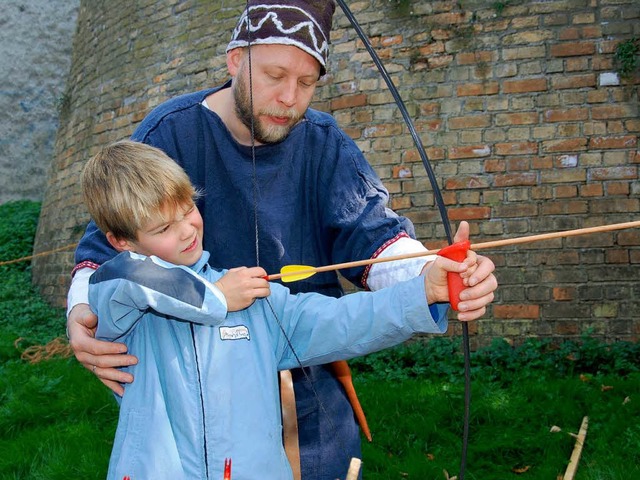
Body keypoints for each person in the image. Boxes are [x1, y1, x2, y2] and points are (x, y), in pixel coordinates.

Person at [66, 1, 498, 479]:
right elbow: (109, 262)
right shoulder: (171, 133)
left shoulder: (323, 144)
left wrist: (431, 276)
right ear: (236, 60)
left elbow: (373, 240)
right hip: (178, 408)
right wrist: (82, 319)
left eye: (307, 83)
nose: (290, 98)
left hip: (304, 379)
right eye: (274, 75)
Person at [82, 139, 477, 480]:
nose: (187, 230)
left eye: (187, 209)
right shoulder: (122, 296)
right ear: (122, 242)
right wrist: (218, 296)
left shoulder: (250, 298)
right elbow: (133, 278)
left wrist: (423, 291)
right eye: (163, 229)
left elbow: (341, 322)